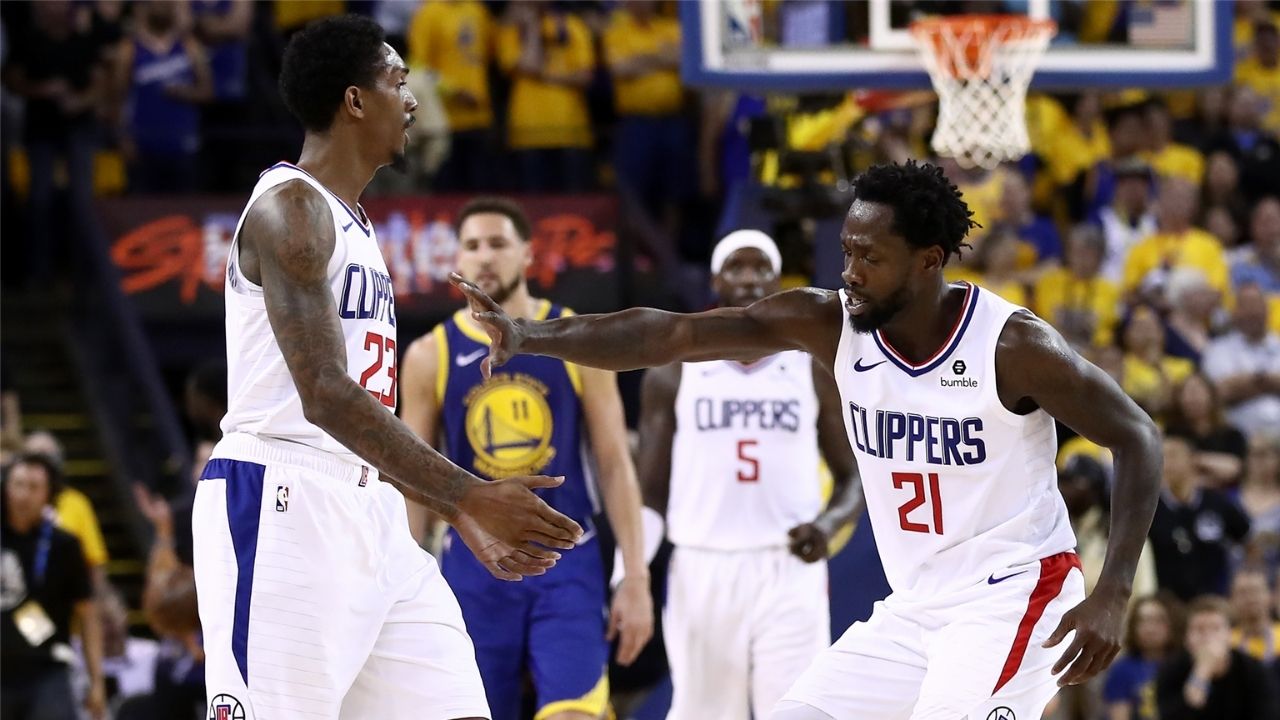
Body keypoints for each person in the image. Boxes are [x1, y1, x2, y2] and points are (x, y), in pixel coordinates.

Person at [454, 159, 1164, 720]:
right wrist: (530, 334)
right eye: (846, 251)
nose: (849, 273)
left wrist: (1113, 591)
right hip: (916, 603)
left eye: (869, 257)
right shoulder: (831, 323)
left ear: (928, 259)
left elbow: (1137, 435)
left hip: (1014, 592)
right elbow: (671, 334)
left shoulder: (1010, 345)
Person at [193, 15, 582, 720]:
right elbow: (324, 393)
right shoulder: (292, 209)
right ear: (354, 100)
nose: (411, 99)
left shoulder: (354, 222)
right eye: (398, 81)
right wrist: (466, 496)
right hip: (283, 497)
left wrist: (448, 506)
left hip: (371, 506)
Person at [399, 197, 654, 720]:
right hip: (475, 565)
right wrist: (399, 587)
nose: (485, 256)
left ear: (528, 254)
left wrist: (636, 578)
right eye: (472, 245)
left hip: (567, 560)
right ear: (458, 259)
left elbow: (614, 463)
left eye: (498, 243)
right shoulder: (430, 354)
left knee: (574, 714)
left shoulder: (577, 336)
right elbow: (412, 483)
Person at [636, 230, 861, 719]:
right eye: (736, 267)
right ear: (715, 280)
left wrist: (827, 526)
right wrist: (630, 573)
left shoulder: (812, 368)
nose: (748, 278)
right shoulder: (675, 369)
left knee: (798, 711)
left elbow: (852, 477)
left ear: (777, 282)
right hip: (702, 565)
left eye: (761, 268)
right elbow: (649, 494)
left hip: (788, 565)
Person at [0, 453, 106, 720]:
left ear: (49, 495)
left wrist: (97, 681)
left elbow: (88, 614)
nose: (24, 495)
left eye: (34, 487)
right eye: (18, 484)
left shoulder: (64, 545)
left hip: (47, 671)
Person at [1156, 594, 1279, 718]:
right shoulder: (1170, 669)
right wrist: (1201, 672)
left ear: (1230, 635)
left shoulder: (1254, 670)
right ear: (1186, 638)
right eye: (1199, 629)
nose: (1207, 636)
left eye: (1215, 628)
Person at [1101, 594, 1180, 720]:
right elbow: (1119, 714)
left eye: (1158, 620)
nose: (1150, 629)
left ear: (1172, 623)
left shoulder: (1182, 665)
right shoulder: (1122, 669)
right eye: (1142, 621)